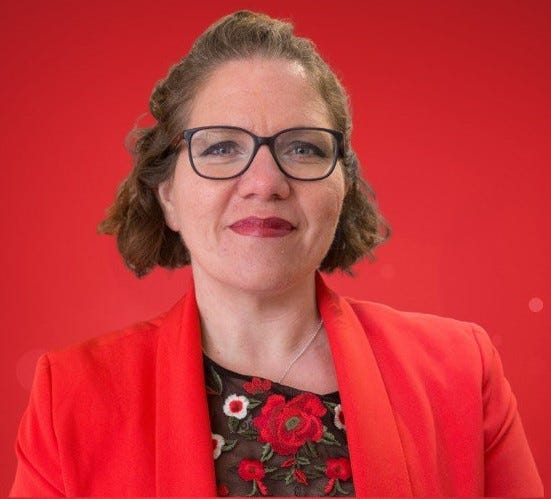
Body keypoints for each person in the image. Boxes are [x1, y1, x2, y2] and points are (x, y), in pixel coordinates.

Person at [10, 10, 543, 497]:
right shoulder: (71, 398)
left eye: (303, 148)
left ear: (343, 187)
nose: (265, 182)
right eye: (221, 147)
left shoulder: (460, 371)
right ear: (167, 195)